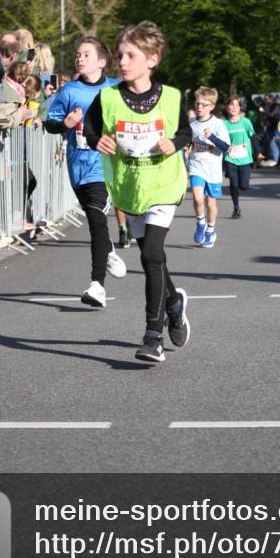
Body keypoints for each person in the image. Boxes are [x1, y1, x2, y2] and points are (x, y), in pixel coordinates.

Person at [83, 21, 191, 363]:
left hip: (163, 184)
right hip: (130, 188)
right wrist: (95, 139)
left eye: (131, 55)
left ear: (152, 59)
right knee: (153, 258)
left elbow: (186, 133)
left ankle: (152, 336)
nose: (123, 62)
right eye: (120, 55)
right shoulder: (108, 97)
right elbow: (90, 129)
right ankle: (174, 303)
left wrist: (173, 143)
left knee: (151, 254)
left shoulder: (173, 97)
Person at [44, 37, 127, 309]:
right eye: (78, 54)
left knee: (95, 219)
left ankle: (97, 285)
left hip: (105, 166)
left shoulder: (116, 88)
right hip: (77, 164)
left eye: (87, 55)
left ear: (101, 62)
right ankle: (109, 250)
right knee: (94, 218)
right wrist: (64, 124)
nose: (80, 59)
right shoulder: (69, 91)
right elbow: (50, 124)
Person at [188, 87, 230, 247]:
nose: (199, 107)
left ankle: (210, 230)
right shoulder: (191, 123)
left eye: (204, 105)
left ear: (212, 106)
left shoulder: (218, 124)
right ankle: (200, 223)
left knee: (210, 203)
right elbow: (186, 139)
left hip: (212, 169)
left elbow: (226, 147)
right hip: (196, 166)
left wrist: (211, 136)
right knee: (198, 198)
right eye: (197, 104)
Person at [223, 96, 260, 218]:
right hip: (230, 158)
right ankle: (236, 208)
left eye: (236, 105)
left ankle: (241, 182)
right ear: (227, 107)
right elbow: (220, 141)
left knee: (243, 186)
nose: (233, 107)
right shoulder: (224, 124)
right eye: (231, 105)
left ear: (240, 108)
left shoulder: (246, 122)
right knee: (233, 184)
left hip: (245, 159)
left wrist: (258, 152)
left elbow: (253, 137)